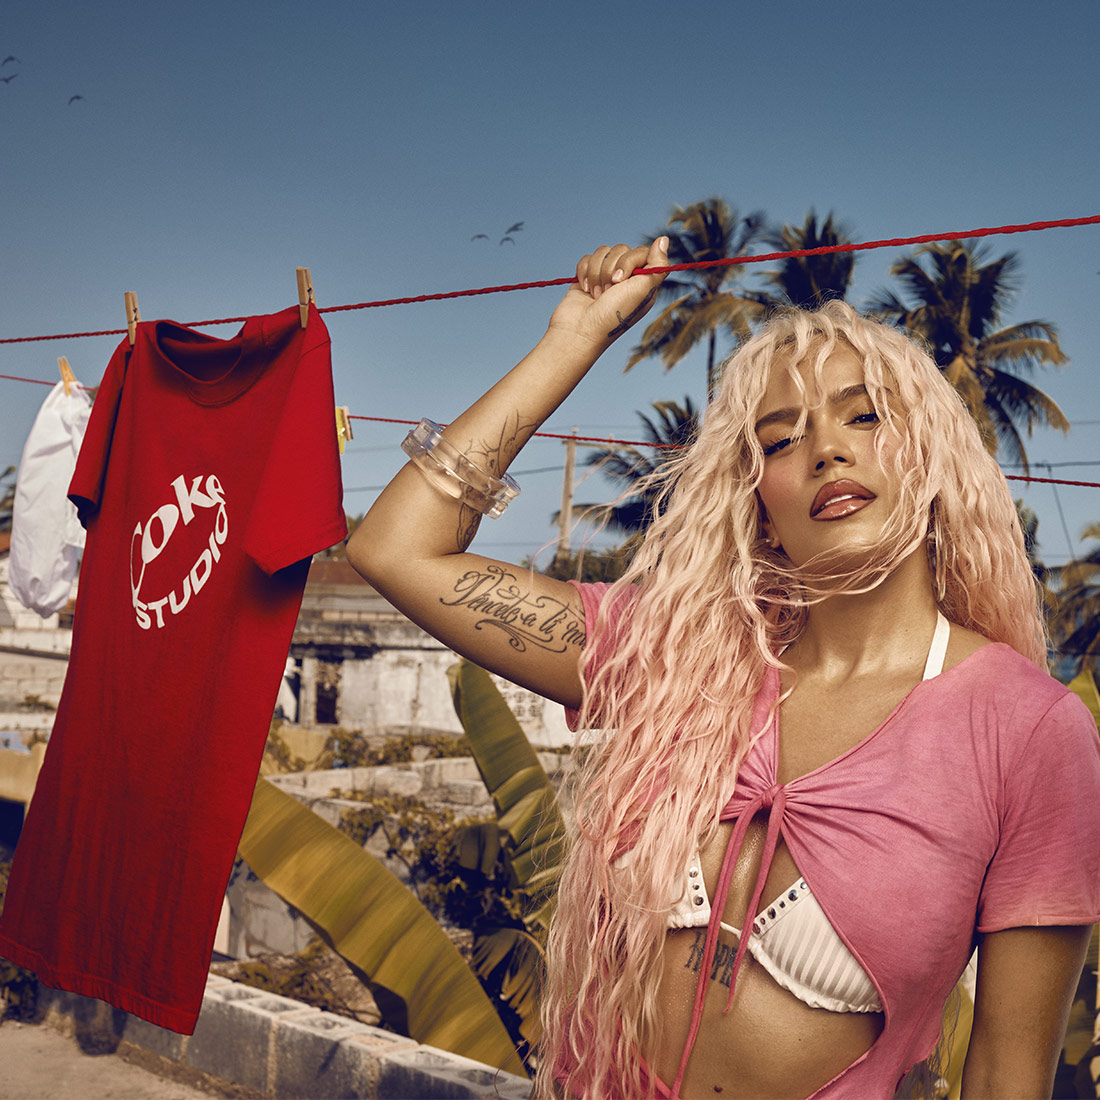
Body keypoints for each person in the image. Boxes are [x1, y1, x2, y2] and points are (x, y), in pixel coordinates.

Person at [347, 239, 1100, 1099]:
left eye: (865, 417)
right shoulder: (676, 661)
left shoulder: (1029, 729)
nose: (825, 451)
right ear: (760, 506)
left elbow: (1008, 1074)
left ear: (932, 462)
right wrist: (575, 339)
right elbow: (397, 548)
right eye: (781, 439)